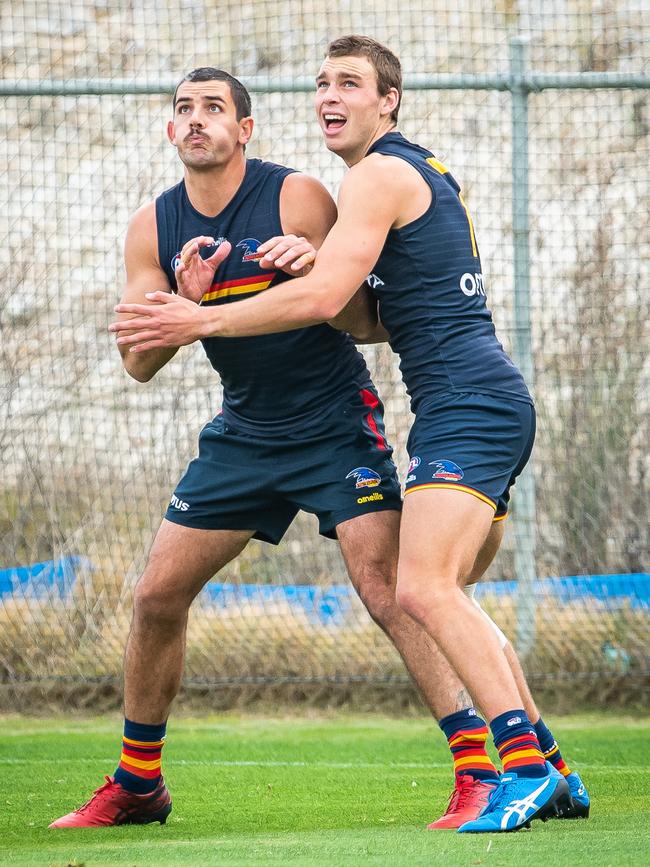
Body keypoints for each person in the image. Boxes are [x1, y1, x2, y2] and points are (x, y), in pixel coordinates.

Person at [110, 41, 590, 833]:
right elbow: (364, 310)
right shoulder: (387, 174)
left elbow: (333, 298)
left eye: (351, 84)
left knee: (419, 589)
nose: (330, 96)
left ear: (388, 100)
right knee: (444, 594)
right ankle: (555, 768)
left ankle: (520, 769)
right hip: (452, 402)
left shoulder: (365, 176)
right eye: (323, 83)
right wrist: (303, 278)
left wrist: (208, 315)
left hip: (456, 403)